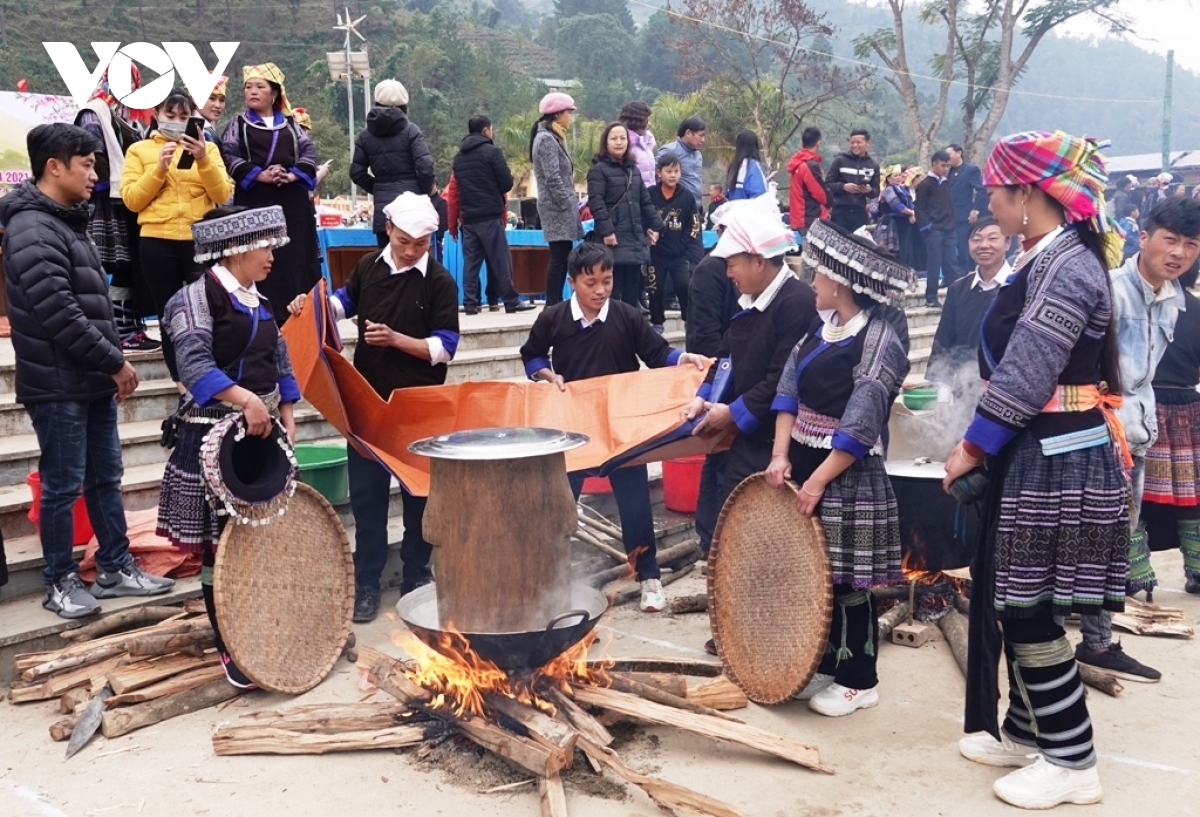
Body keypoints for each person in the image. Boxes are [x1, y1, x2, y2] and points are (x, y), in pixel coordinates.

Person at [942, 131, 1132, 810]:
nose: (988, 202)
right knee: (1017, 596)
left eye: (996, 190)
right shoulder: (1045, 257)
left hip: (1060, 457)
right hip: (1041, 451)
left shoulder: (1070, 267)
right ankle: (1027, 731)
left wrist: (972, 445)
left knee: (1030, 608)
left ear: (1028, 194)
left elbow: (1026, 372)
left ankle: (1073, 757)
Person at [0, 123, 175, 619]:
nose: (95, 174)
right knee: (62, 484)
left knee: (105, 477)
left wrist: (106, 362)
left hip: (88, 378)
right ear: (54, 167)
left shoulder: (67, 222)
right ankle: (59, 580)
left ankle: (116, 567)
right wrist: (114, 360)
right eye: (87, 164)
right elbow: (58, 312)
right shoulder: (32, 229)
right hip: (58, 384)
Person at [287, 193, 459, 623]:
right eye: (403, 241)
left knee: (419, 494)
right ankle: (366, 581)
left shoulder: (438, 280)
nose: (410, 250)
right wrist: (308, 306)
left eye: (420, 244)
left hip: (419, 407)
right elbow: (342, 303)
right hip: (366, 403)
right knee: (367, 500)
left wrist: (398, 340)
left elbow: (446, 347)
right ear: (388, 229)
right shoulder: (368, 267)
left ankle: (417, 576)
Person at [766, 218, 910, 716]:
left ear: (840, 283)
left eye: (817, 276)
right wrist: (781, 455)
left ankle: (859, 678)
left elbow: (862, 419)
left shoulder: (880, 338)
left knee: (850, 579)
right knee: (817, 574)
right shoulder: (819, 330)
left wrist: (818, 480)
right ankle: (826, 663)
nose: (811, 284)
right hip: (805, 459)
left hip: (847, 471)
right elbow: (787, 392)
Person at [520, 242, 710, 612]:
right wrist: (546, 373)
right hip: (572, 428)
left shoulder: (625, 316)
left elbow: (657, 354)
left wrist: (683, 358)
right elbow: (532, 354)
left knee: (635, 504)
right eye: (591, 283)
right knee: (560, 506)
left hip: (622, 428)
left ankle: (649, 577)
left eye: (606, 281)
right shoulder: (554, 318)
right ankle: (550, 583)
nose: (601, 290)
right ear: (572, 282)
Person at [156, 204, 299, 688]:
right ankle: (231, 647)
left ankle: (267, 634)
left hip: (260, 436)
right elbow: (193, 364)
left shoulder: (258, 299)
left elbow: (279, 357)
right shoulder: (193, 300)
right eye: (264, 246)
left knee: (260, 542)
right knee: (223, 549)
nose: (272, 257)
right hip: (213, 438)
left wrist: (286, 414)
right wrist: (244, 402)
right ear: (236, 249)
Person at [681, 200, 816, 654]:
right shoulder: (749, 300)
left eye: (734, 262)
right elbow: (727, 358)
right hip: (741, 439)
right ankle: (734, 629)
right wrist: (704, 394)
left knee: (766, 544)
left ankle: (765, 633)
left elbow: (781, 380)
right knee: (731, 536)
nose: (729, 271)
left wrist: (731, 412)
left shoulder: (796, 302)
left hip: (776, 442)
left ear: (759, 260)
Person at [1108, 197, 1200, 658]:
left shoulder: (1176, 300)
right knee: (1111, 524)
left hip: (1146, 426)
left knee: (1132, 517)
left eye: (1191, 244)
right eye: (1171, 240)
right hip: (1107, 428)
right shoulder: (1110, 290)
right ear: (1142, 238)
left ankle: (1111, 616)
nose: (1180, 252)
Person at [120, 87, 234, 386]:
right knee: (170, 313)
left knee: (208, 309)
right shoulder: (139, 150)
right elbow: (132, 200)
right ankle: (181, 381)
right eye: (169, 115)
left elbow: (223, 194)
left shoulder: (207, 149)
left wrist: (203, 160)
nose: (176, 121)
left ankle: (211, 375)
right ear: (155, 114)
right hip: (157, 241)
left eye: (184, 116)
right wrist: (158, 168)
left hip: (200, 239)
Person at [219, 63, 321, 318]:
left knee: (293, 258)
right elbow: (229, 154)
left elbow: (308, 152)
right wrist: (259, 174)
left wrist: (291, 175)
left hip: (292, 204)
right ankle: (258, 314)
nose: (252, 92)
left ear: (274, 93)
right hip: (255, 201)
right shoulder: (237, 125)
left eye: (259, 87)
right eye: (248, 87)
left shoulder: (291, 125)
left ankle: (298, 316)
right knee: (257, 253)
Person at [73, 66, 159, 352]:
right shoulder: (94, 112)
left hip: (124, 200)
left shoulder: (124, 119)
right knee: (112, 264)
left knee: (126, 265)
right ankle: (116, 329)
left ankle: (129, 327)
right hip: (105, 201)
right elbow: (92, 155)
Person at [1141, 260, 1200, 593]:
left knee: (1134, 496)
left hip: (1145, 407)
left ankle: (1135, 572)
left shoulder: (1143, 308)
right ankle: (1198, 568)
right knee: (1192, 497)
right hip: (1190, 410)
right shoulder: (1197, 309)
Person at [686, 203, 741, 558]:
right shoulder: (711, 270)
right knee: (718, 459)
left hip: (733, 368)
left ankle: (714, 537)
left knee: (723, 459)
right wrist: (716, 378)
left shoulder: (733, 269)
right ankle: (710, 537)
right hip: (720, 370)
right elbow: (706, 332)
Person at [926, 218, 1011, 409]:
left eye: (992, 238)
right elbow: (945, 343)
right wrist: (942, 397)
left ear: (1007, 243)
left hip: (1008, 395)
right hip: (965, 393)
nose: (984, 245)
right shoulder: (958, 289)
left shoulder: (1018, 287)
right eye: (976, 239)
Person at [451, 115, 532, 315]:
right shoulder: (492, 152)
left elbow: (455, 191)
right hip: (489, 215)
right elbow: (506, 183)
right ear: (486, 130)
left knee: (471, 263)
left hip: (468, 219)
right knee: (500, 261)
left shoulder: (459, 158)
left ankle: (470, 303)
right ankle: (511, 302)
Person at [350, 79, 435, 248]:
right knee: (414, 265)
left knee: (386, 264)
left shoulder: (365, 136)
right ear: (404, 105)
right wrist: (422, 190)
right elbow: (425, 168)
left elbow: (356, 172)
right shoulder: (411, 131)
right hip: (412, 210)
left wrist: (378, 187)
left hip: (384, 211)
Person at [586, 121, 663, 309]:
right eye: (614, 138)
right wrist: (607, 231)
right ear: (606, 142)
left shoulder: (633, 170)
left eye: (622, 138)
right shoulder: (598, 170)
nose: (619, 142)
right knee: (613, 285)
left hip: (634, 236)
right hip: (613, 238)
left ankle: (629, 328)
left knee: (632, 288)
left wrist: (655, 226)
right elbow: (597, 203)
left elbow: (645, 202)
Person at [530, 92, 583, 306]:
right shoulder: (546, 140)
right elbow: (552, 177)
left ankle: (556, 301)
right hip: (556, 208)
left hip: (560, 206)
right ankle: (552, 302)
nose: (570, 117)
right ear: (558, 114)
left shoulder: (553, 137)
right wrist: (565, 203)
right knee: (559, 257)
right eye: (568, 113)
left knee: (562, 255)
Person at [647, 153, 703, 332]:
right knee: (656, 289)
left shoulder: (687, 197)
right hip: (656, 254)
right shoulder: (649, 195)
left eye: (676, 171)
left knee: (684, 286)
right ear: (658, 173)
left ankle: (689, 321)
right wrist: (647, 233)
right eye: (668, 171)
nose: (673, 175)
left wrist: (683, 245)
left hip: (679, 255)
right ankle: (657, 323)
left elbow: (694, 225)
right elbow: (642, 218)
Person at [915, 149, 958, 306]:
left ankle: (956, 297)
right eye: (943, 165)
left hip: (949, 228)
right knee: (934, 263)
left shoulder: (945, 182)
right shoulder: (925, 184)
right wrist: (928, 228)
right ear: (934, 164)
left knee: (952, 263)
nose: (945, 169)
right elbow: (919, 208)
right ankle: (931, 298)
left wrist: (952, 224)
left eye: (947, 166)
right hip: (934, 230)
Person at [824, 129, 881, 232]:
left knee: (858, 244)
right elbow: (827, 185)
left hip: (859, 212)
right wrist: (843, 187)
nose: (855, 145)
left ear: (868, 143)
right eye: (852, 142)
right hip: (840, 212)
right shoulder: (840, 161)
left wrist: (869, 190)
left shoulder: (873, 165)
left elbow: (876, 191)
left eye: (858, 142)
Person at [947, 144, 989, 279]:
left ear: (958, 153)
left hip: (963, 215)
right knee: (948, 248)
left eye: (950, 154)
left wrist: (975, 210)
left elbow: (981, 190)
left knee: (963, 246)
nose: (947, 158)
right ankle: (950, 276)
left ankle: (964, 275)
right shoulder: (947, 171)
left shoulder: (970, 170)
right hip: (947, 216)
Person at [786, 127, 828, 240]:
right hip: (809, 218)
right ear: (818, 143)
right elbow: (820, 194)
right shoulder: (809, 165)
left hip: (798, 217)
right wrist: (830, 203)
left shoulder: (797, 163)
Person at [656, 116, 707, 205]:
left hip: (696, 208)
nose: (703, 140)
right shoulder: (669, 151)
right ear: (688, 133)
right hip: (676, 208)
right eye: (700, 135)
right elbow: (654, 175)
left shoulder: (698, 155)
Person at [875, 165, 916, 266]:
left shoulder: (903, 189)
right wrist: (911, 213)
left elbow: (910, 203)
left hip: (904, 222)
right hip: (892, 223)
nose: (899, 177)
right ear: (888, 178)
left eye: (900, 175)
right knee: (896, 250)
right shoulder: (888, 190)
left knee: (906, 248)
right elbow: (896, 206)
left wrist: (912, 213)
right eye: (895, 175)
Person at [618, 101, 657, 188]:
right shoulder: (624, 145)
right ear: (637, 120)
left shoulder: (646, 143)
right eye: (646, 120)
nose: (649, 124)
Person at [724, 129, 768, 201]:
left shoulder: (733, 167)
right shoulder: (754, 166)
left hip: (734, 209)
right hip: (750, 210)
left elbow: (727, 194)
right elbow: (761, 194)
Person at [197, 75, 228, 142]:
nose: (218, 105)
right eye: (212, 98)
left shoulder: (209, 128)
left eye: (222, 100)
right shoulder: (196, 132)